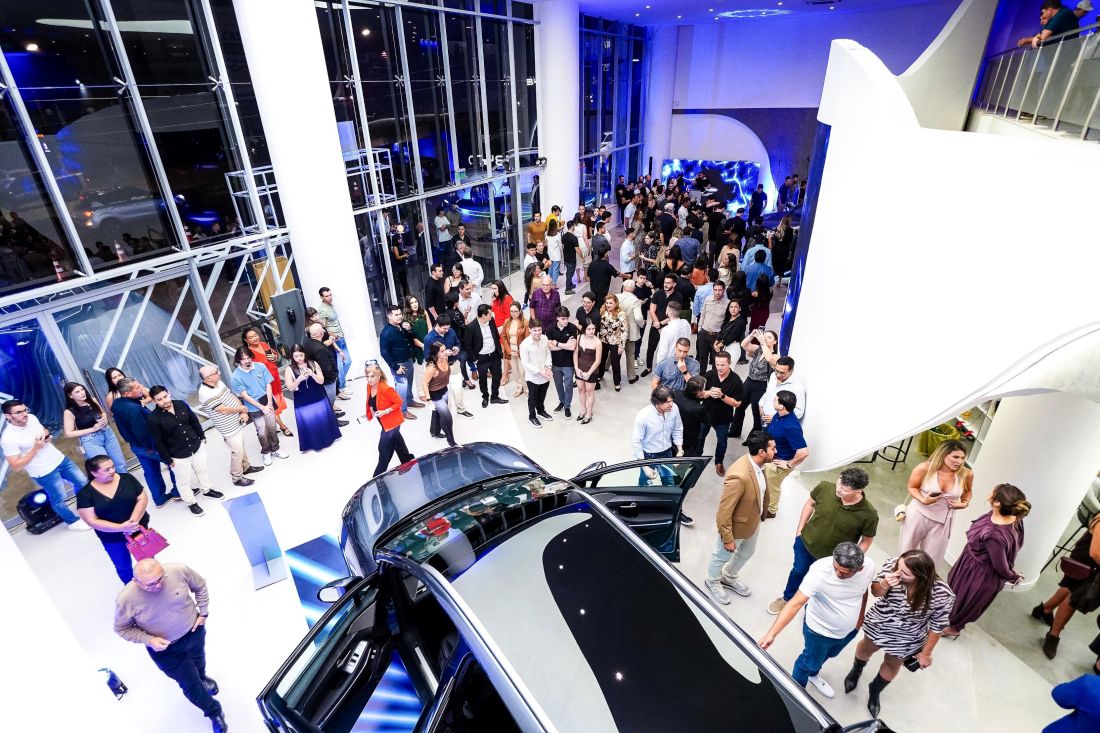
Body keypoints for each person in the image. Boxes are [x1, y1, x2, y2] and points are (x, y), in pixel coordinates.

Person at [113, 559, 227, 733]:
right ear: (136, 582)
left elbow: (200, 585)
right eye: (151, 585)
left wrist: (203, 613)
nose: (158, 586)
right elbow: (122, 629)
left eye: (161, 579)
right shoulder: (126, 599)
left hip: (194, 631)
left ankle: (202, 677)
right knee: (190, 684)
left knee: (198, 659)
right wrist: (149, 640)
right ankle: (214, 712)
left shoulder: (178, 570)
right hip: (166, 650)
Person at [843, 550, 954, 718]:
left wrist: (926, 653)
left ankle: (875, 690)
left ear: (921, 577)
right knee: (866, 647)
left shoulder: (942, 594)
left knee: (893, 663)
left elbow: (937, 626)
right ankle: (856, 670)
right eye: (898, 567)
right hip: (881, 622)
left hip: (909, 634)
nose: (898, 572)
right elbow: (875, 592)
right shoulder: (892, 565)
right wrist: (885, 583)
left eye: (905, 573)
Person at [759, 541, 875, 699]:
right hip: (819, 631)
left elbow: (863, 590)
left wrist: (859, 620)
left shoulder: (869, 567)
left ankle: (813, 675)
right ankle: (796, 694)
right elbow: (795, 603)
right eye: (835, 568)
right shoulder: (819, 571)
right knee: (808, 662)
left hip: (848, 631)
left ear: (859, 569)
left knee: (828, 656)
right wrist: (772, 633)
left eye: (844, 573)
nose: (837, 574)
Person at [770, 467, 876, 617]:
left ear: (858, 491)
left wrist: (848, 561)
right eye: (839, 483)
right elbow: (810, 504)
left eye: (844, 489)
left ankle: (811, 610)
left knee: (822, 585)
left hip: (831, 559)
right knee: (798, 572)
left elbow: (866, 540)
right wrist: (800, 530)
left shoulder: (869, 514)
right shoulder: (824, 487)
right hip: (806, 544)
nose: (838, 489)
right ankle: (787, 598)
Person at [943, 484, 1030, 637]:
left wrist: (1013, 576)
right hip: (971, 563)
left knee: (963, 600)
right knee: (956, 594)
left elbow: (1000, 567)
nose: (990, 492)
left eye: (993, 491)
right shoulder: (1014, 518)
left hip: (979, 573)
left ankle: (953, 629)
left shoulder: (993, 534)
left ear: (997, 502)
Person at [705, 430, 776, 604]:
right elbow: (724, 511)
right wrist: (728, 538)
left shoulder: (759, 465)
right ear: (762, 452)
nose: (776, 451)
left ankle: (728, 577)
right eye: (773, 449)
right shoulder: (739, 475)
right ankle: (712, 581)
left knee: (747, 552)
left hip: (752, 521)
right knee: (721, 556)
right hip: (735, 527)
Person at [1, 399, 90, 530]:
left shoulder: (31, 418)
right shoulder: (8, 439)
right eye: (19, 412)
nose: (24, 414)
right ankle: (72, 522)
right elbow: (16, 466)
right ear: (7, 416)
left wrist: (47, 436)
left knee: (82, 483)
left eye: (25, 410)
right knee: (59, 498)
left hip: (60, 459)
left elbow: (43, 430)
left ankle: (87, 510)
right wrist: (35, 448)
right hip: (43, 471)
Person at [146, 386, 224, 518]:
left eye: (165, 396)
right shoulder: (153, 418)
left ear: (169, 394)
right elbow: (158, 442)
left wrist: (202, 437)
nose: (164, 401)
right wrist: (168, 459)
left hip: (196, 446)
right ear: (154, 401)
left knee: (202, 470)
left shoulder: (181, 404)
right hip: (177, 455)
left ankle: (207, 490)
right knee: (183, 481)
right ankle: (191, 502)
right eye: (159, 399)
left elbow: (194, 421)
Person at [1031, 512, 1100, 659]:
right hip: (1086, 562)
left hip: (1090, 564)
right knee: (1073, 599)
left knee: (1069, 589)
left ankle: (1044, 609)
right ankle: (1053, 634)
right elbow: (1096, 553)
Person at [898, 439, 974, 566]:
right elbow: (912, 487)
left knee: (931, 561)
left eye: (962, 458)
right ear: (943, 455)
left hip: (942, 522)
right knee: (904, 553)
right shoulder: (924, 468)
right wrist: (923, 499)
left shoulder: (966, 474)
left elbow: (968, 491)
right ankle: (899, 576)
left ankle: (921, 580)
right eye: (955, 457)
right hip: (917, 515)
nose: (960, 462)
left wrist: (965, 503)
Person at [76, 455, 150, 583]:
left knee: (147, 559)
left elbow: (142, 498)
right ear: (94, 473)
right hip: (112, 538)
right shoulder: (85, 494)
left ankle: (152, 581)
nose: (112, 471)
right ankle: (132, 588)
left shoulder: (127, 478)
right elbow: (91, 521)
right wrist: (121, 527)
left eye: (112, 467)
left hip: (138, 529)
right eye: (106, 469)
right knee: (123, 566)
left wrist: (132, 522)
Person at [112, 378, 179, 506]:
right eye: (137, 387)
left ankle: (159, 498)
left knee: (151, 472)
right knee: (173, 463)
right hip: (149, 446)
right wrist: (156, 447)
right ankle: (178, 491)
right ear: (127, 393)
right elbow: (142, 432)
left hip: (136, 446)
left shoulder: (117, 403)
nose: (141, 389)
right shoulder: (134, 409)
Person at [630, 387, 691, 524]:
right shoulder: (643, 416)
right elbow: (636, 442)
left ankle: (676, 512)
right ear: (657, 402)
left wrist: (680, 449)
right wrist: (645, 466)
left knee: (671, 484)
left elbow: (678, 428)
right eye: (667, 402)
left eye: (671, 400)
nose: (671, 404)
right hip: (648, 455)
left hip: (666, 452)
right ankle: (639, 511)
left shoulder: (674, 409)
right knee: (645, 484)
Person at [197, 366, 259, 487]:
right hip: (228, 428)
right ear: (208, 378)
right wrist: (241, 409)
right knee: (237, 451)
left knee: (241, 445)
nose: (219, 373)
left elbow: (232, 396)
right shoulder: (204, 393)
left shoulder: (219, 382)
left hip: (237, 421)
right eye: (216, 372)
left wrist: (242, 412)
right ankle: (237, 477)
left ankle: (246, 467)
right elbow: (223, 410)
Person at [231, 347, 290, 465]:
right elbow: (245, 396)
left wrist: (269, 403)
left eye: (248, 358)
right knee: (262, 431)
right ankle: (266, 452)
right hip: (253, 406)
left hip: (267, 400)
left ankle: (275, 449)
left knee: (272, 427)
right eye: (243, 359)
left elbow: (268, 384)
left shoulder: (260, 366)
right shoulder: (236, 376)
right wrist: (262, 407)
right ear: (238, 360)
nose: (247, 361)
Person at [283, 343, 342, 452]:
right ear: (292, 356)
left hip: (318, 394)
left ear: (304, 354)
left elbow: (321, 381)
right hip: (302, 398)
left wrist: (312, 374)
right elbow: (290, 387)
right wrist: (299, 379)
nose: (299, 358)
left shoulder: (313, 363)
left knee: (323, 417)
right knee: (308, 421)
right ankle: (314, 443)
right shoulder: (289, 369)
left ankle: (328, 438)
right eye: (296, 356)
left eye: (301, 355)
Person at [62, 382, 128, 473]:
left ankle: (125, 480)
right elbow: (69, 433)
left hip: (107, 433)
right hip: (91, 440)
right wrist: (92, 429)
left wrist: (104, 419)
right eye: (77, 392)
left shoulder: (92, 400)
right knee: (104, 468)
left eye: (82, 389)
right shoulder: (69, 412)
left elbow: (102, 413)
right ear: (70, 396)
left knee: (119, 464)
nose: (82, 393)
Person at [363, 363, 414, 477]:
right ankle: (407, 460)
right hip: (383, 421)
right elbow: (371, 401)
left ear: (379, 375)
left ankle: (377, 477)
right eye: (367, 376)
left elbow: (399, 402)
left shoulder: (386, 389)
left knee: (384, 450)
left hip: (392, 422)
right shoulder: (369, 386)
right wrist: (370, 412)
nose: (369, 379)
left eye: (372, 376)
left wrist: (385, 411)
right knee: (397, 441)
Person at [242, 327, 293, 436]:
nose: (255, 338)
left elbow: (274, 356)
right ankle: (282, 426)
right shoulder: (248, 353)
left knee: (277, 401)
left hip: (274, 376)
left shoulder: (263, 344)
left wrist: (274, 357)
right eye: (251, 337)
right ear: (246, 340)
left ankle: (271, 424)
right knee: (271, 403)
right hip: (265, 382)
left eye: (255, 335)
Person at [699, 351, 743, 476]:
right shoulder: (709, 375)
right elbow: (699, 394)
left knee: (722, 442)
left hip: (723, 418)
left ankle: (719, 462)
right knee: (700, 437)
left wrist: (722, 396)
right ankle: (697, 457)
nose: (719, 367)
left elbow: (737, 403)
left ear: (730, 363)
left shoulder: (736, 380)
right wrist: (709, 393)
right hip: (706, 414)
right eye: (717, 364)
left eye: (723, 365)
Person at [422, 314, 473, 418]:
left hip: (453, 364)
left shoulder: (451, 331)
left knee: (458, 389)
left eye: (448, 328)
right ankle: (446, 414)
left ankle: (461, 409)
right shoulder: (429, 338)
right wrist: (443, 355)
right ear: (437, 325)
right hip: (440, 369)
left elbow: (458, 343)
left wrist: (457, 349)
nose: (446, 330)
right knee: (445, 393)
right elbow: (427, 358)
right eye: (444, 329)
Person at [463, 304, 508, 409]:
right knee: (482, 379)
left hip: (494, 355)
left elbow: (495, 335)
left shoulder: (491, 321)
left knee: (497, 376)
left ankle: (495, 397)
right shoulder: (471, 327)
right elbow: (468, 346)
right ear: (483, 315)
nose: (491, 315)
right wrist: (475, 359)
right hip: (481, 358)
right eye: (489, 314)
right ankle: (485, 397)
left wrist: (499, 351)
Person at [302, 323, 346, 425]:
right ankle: (333, 422)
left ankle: (332, 415)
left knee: (328, 401)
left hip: (319, 378)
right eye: (323, 330)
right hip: (327, 380)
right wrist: (333, 376)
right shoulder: (320, 349)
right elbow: (326, 367)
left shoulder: (308, 343)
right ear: (321, 333)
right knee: (329, 401)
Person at [380, 304, 418, 420]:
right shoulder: (386, 332)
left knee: (409, 383)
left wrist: (409, 330)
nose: (399, 316)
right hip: (399, 364)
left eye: (400, 314)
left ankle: (409, 400)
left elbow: (409, 339)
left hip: (408, 360)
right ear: (389, 316)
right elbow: (384, 353)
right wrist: (395, 367)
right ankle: (402, 410)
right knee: (401, 386)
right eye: (396, 315)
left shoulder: (401, 327)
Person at [315, 287, 352, 400]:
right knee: (339, 365)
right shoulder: (322, 310)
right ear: (321, 297)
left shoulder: (331, 305)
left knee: (348, 361)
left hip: (340, 337)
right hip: (334, 339)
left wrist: (341, 332)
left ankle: (341, 382)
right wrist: (334, 336)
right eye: (327, 296)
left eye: (330, 295)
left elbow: (335, 321)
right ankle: (341, 387)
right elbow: (323, 328)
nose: (330, 297)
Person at [420, 342, 458, 446]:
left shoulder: (445, 358)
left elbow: (449, 353)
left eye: (445, 349)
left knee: (437, 413)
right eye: (442, 351)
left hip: (444, 389)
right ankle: (451, 442)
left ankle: (434, 431)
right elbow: (424, 383)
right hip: (435, 395)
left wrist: (452, 352)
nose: (445, 352)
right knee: (447, 418)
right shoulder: (432, 367)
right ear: (436, 354)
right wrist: (429, 400)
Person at [641, 274, 678, 376]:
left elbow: (674, 315)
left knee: (667, 350)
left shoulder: (678, 296)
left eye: (668, 283)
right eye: (665, 282)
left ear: (674, 284)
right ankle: (648, 368)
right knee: (651, 348)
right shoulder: (658, 294)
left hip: (669, 327)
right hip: (655, 325)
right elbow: (652, 310)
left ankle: (664, 370)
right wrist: (657, 324)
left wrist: (661, 324)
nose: (665, 285)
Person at [520, 317, 554, 428]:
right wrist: (540, 371)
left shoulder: (545, 338)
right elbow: (525, 363)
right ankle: (532, 416)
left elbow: (548, 353)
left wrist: (548, 366)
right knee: (533, 398)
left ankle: (540, 410)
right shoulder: (524, 344)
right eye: (535, 330)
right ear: (530, 329)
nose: (538, 332)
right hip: (533, 377)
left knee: (542, 395)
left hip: (545, 374)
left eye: (539, 330)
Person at [547, 306, 578, 417]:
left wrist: (557, 343)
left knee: (568, 385)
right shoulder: (550, 328)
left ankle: (567, 406)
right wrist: (565, 345)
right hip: (555, 363)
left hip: (568, 363)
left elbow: (572, 347)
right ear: (557, 318)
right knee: (558, 385)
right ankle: (562, 402)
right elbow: (549, 347)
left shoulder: (572, 328)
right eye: (563, 319)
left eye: (567, 318)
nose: (565, 321)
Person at [760, 353, 805, 424]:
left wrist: (776, 419)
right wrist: (761, 406)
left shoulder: (798, 388)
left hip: (779, 425)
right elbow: (768, 393)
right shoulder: (773, 376)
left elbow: (798, 412)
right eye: (776, 370)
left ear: (791, 371)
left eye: (782, 373)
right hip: (764, 419)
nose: (778, 375)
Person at [695, 278, 728, 372]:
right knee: (702, 358)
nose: (717, 292)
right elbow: (703, 314)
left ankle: (713, 378)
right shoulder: (708, 299)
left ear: (724, 290)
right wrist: (699, 329)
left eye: (720, 290)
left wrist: (722, 337)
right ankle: (701, 376)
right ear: (713, 290)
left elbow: (726, 322)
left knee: (715, 360)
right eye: (715, 290)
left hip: (717, 336)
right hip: (704, 333)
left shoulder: (727, 303)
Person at [616, 279, 645, 384]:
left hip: (617, 330)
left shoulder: (616, 297)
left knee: (614, 351)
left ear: (623, 287)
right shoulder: (635, 301)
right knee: (630, 353)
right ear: (634, 289)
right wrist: (642, 324)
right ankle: (631, 377)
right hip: (630, 331)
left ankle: (606, 366)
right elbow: (638, 317)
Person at [574, 321, 602, 424]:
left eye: (593, 329)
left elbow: (598, 360)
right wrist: (576, 368)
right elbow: (575, 353)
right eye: (589, 329)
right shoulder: (579, 337)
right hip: (580, 368)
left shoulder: (597, 342)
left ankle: (589, 413)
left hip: (592, 370)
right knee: (581, 389)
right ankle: (583, 410)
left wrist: (589, 373)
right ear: (584, 329)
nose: (591, 331)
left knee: (590, 392)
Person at [597, 294, 628, 391]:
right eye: (607, 303)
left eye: (610, 303)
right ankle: (600, 375)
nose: (608, 305)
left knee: (615, 363)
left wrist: (621, 346)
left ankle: (617, 382)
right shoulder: (602, 311)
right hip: (603, 340)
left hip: (615, 342)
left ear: (616, 303)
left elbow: (624, 330)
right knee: (601, 359)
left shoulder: (621, 314)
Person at [673, 376, 708, 458]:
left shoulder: (676, 393)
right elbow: (707, 420)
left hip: (673, 433)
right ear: (699, 393)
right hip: (689, 440)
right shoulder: (698, 408)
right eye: (704, 389)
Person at [500, 302, 530, 395]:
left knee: (522, 371)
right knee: (515, 372)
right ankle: (519, 387)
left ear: (520, 311)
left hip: (521, 350)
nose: (513, 313)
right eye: (511, 311)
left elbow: (527, 340)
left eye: (515, 311)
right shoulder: (507, 322)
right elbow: (504, 337)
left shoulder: (525, 322)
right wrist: (509, 351)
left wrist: (519, 351)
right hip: (510, 350)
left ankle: (526, 388)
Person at [652, 301, 691, 366]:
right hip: (683, 360)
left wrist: (659, 366)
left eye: (667, 309)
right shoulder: (686, 323)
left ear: (669, 313)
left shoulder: (666, 330)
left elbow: (663, 352)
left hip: (670, 364)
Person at [716, 299, 748, 365]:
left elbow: (732, 337)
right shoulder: (728, 319)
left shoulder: (740, 321)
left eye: (736, 307)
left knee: (729, 367)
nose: (733, 309)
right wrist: (716, 342)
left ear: (739, 309)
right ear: (728, 309)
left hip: (734, 347)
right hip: (725, 346)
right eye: (731, 307)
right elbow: (722, 331)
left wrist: (718, 345)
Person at [561, 219, 579, 294]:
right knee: (570, 274)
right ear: (572, 226)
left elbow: (563, 245)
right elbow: (577, 249)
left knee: (568, 272)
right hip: (571, 259)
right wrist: (582, 257)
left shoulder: (564, 236)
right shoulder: (574, 238)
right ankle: (568, 289)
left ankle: (570, 285)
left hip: (566, 258)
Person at [544, 219, 563, 285]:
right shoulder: (558, 234)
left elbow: (546, 243)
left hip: (549, 254)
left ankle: (548, 282)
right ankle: (554, 284)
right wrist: (562, 253)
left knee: (550, 269)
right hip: (557, 254)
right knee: (555, 270)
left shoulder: (546, 233)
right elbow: (560, 245)